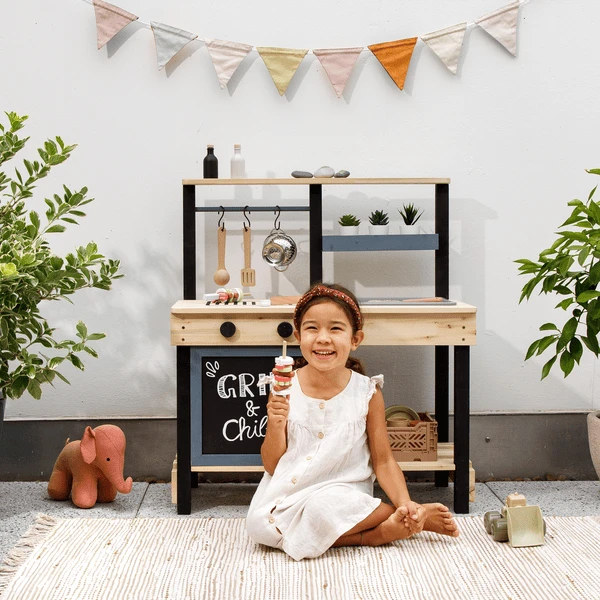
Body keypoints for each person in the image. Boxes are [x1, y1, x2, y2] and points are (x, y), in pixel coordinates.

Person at [246, 283, 459, 561]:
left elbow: (384, 461)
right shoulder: (284, 388)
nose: (323, 338)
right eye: (312, 328)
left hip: (342, 497)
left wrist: (404, 502)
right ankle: (380, 532)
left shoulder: (367, 393)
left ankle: (407, 515)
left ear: (355, 339)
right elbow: (273, 466)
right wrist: (275, 424)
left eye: (335, 329)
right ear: (298, 336)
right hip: (289, 494)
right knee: (260, 526)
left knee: (323, 510)